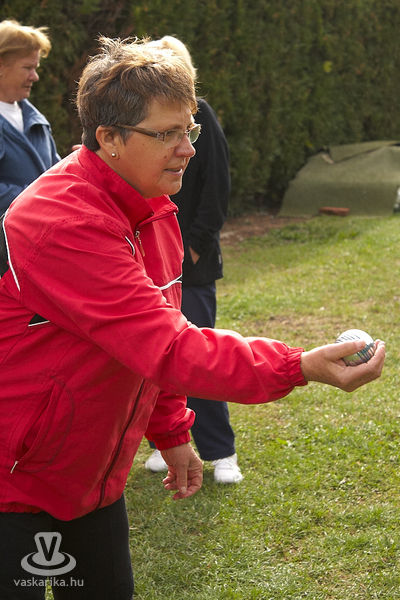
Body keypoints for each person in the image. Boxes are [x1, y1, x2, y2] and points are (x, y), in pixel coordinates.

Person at [0, 36, 384, 600]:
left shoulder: (152, 205)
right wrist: (297, 365)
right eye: (167, 134)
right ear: (108, 138)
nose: (187, 149)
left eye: (190, 130)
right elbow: (168, 347)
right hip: (17, 479)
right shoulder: (62, 220)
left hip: (90, 474)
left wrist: (172, 432)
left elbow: (156, 334)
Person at [144, 36, 241, 483]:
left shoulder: (201, 115)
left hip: (191, 267)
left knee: (199, 356)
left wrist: (193, 250)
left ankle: (222, 453)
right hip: (153, 266)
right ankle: (164, 444)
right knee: (157, 356)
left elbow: (217, 191)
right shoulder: (146, 126)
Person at [0, 19, 60, 212]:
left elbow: (56, 174)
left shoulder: (36, 120)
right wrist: (39, 198)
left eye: (35, 68)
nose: (35, 77)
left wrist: (83, 162)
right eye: (27, 68)